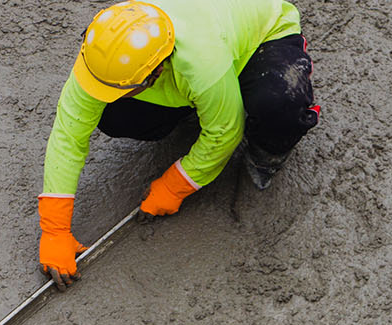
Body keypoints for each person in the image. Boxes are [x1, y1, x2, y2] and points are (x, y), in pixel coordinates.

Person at [37, 0, 320, 289]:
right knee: (114, 115)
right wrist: (54, 228)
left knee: (279, 104)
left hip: (259, 37)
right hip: (194, 65)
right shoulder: (107, 48)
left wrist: (176, 184)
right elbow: (68, 134)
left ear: (155, 72)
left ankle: (266, 150)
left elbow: (225, 131)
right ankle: (201, 103)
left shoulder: (200, 60)